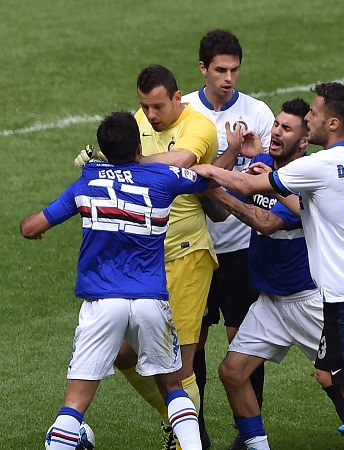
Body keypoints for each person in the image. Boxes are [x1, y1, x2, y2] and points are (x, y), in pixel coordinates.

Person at [192, 82, 344, 450]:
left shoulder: (318, 165)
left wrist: (202, 172)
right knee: (235, 371)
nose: (307, 119)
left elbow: (248, 188)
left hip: (341, 292)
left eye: (312, 114)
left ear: (332, 123)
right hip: (341, 287)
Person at [76, 64, 250, 450]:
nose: (150, 116)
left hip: (188, 257)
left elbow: (182, 163)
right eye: (144, 107)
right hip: (144, 264)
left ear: (176, 98)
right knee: (121, 352)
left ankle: (188, 441)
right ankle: (176, 422)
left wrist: (116, 165)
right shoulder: (141, 120)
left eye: (157, 106)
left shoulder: (199, 125)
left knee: (180, 367)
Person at [22, 111, 207, 450]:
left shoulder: (85, 183)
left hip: (102, 304)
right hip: (151, 301)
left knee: (74, 404)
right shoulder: (164, 178)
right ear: (139, 146)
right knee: (174, 388)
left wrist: (31, 226)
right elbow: (205, 177)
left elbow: (30, 227)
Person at [181, 29, 275, 449]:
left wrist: (249, 159)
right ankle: (192, 431)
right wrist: (231, 155)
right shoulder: (180, 112)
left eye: (235, 69)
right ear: (203, 68)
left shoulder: (258, 113)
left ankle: (247, 432)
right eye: (220, 70)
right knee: (192, 345)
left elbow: (269, 179)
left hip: (241, 250)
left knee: (245, 342)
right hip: (193, 251)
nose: (229, 78)